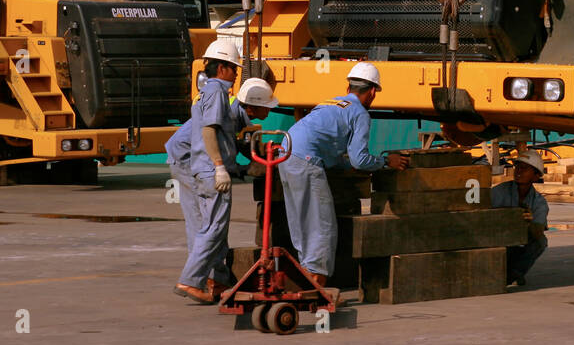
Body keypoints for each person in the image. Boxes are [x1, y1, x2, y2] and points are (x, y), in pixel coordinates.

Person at [165, 37, 277, 304]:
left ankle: (216, 278)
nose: (237, 74)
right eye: (235, 69)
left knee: (210, 226)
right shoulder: (217, 93)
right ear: (224, 68)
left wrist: (236, 168)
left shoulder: (218, 97)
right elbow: (209, 132)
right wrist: (219, 168)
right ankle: (193, 280)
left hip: (200, 164)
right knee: (209, 227)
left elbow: (225, 142)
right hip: (190, 162)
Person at [280, 61, 408, 289]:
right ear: (371, 93)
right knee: (322, 224)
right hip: (307, 160)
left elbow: (327, 145)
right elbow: (360, 159)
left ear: (348, 88)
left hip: (286, 152)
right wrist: (386, 161)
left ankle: (309, 273)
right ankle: (317, 283)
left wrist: (343, 165)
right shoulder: (360, 113)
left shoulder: (330, 103)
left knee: (301, 220)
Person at [491, 149, 549, 286]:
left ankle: (514, 274)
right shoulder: (499, 192)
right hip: (498, 240)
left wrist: (529, 222)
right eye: (517, 167)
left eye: (524, 168)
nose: (518, 171)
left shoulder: (539, 203)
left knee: (541, 242)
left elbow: (538, 232)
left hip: (517, 245)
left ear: (536, 176)